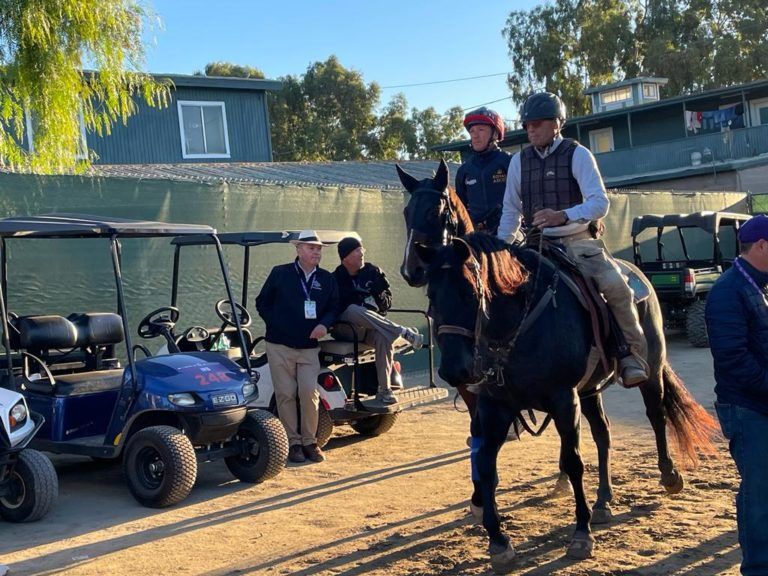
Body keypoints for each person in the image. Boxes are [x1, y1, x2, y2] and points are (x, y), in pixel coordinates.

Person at [497, 91, 648, 386]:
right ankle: (498, 370)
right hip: (534, 244)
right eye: (527, 124)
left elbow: (600, 203)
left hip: (579, 243)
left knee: (617, 289)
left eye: (537, 123)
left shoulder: (578, 154)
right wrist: (502, 250)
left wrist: (563, 215)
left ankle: (630, 355)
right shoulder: (518, 162)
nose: (530, 129)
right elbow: (510, 211)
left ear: (556, 123)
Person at [705, 214, 768, 575]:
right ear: (760, 246)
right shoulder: (729, 291)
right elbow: (733, 359)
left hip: (759, 401)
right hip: (747, 407)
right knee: (759, 492)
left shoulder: (756, 285)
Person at [255, 229, 339, 464]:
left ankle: (310, 442)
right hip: (279, 345)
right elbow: (262, 303)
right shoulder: (280, 273)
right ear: (298, 249)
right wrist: (277, 324)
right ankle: (293, 444)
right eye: (312, 248)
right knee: (285, 395)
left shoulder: (326, 278)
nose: (316, 252)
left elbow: (334, 307)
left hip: (309, 347)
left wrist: (324, 324)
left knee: (308, 393)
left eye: (319, 248)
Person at [332, 236, 423, 404]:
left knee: (384, 337)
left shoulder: (373, 272)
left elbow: (386, 304)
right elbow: (336, 308)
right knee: (353, 309)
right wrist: (358, 298)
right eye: (357, 251)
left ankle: (384, 390)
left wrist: (379, 296)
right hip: (347, 328)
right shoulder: (335, 278)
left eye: (362, 250)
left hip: (371, 328)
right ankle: (403, 331)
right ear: (346, 258)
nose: (362, 254)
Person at [454, 107, 511, 235]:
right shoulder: (464, 170)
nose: (475, 135)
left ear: (495, 134)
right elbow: (460, 208)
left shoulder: (510, 162)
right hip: (475, 234)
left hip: (509, 230)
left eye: (481, 129)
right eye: (472, 131)